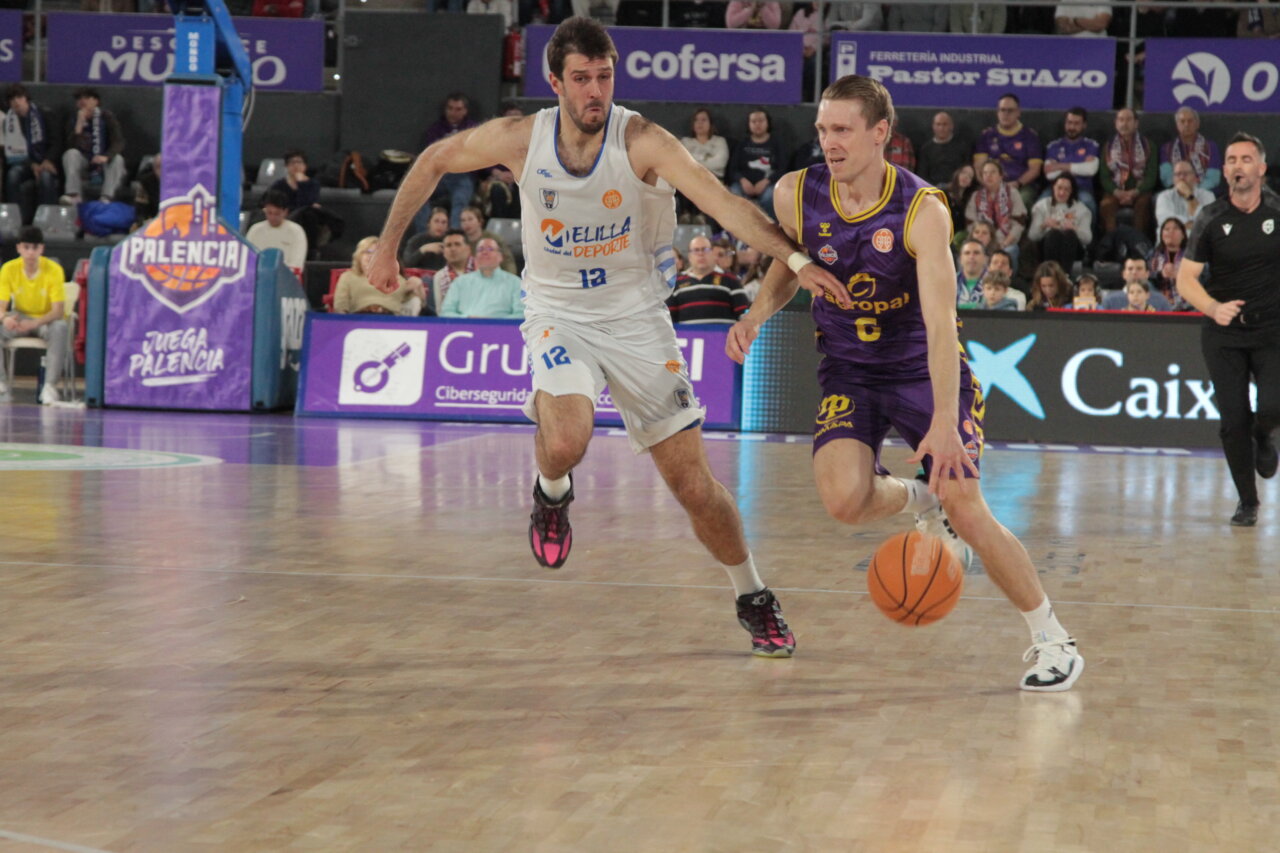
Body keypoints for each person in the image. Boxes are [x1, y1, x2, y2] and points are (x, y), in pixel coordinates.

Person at [366, 16, 845, 657]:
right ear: (555, 83)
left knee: (695, 488)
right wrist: (389, 248)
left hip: (639, 319)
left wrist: (798, 260)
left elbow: (724, 205)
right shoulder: (520, 138)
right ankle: (551, 493)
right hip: (558, 313)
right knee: (566, 441)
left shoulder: (641, 139)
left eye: (605, 77)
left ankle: (752, 594)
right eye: (582, 79)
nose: (596, 91)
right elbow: (433, 160)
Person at [725, 74, 1083, 690]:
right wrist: (758, 313)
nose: (828, 143)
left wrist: (944, 421)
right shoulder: (794, 193)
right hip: (847, 366)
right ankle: (920, 501)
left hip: (920, 364)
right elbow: (791, 263)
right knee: (843, 500)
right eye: (821, 130)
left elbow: (943, 324)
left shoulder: (923, 210)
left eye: (841, 130)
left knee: (967, 507)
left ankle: (1053, 638)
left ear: (879, 134)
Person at [1176, 132, 1280, 528]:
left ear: (1262, 168)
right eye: (1232, 160)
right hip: (1224, 334)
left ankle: (1264, 435)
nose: (1238, 166)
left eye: (1246, 159)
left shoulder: (1277, 211)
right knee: (1232, 420)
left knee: (1271, 406)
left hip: (1272, 328)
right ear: (1226, 171)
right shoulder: (1211, 217)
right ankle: (1247, 501)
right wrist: (1212, 308)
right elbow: (1185, 279)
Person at [0, 227, 68, 405]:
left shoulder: (54, 270)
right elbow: (1, 306)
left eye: (34, 248)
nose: (30, 252)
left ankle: (49, 387)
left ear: (41, 249)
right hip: (20, 318)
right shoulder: (8, 269)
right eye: (26, 247)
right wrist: (5, 318)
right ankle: (1, 384)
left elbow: (58, 310)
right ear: (19, 248)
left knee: (60, 326)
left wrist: (34, 323)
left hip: (45, 319)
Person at [973, 93, 1043, 210]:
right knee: (976, 198)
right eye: (1002, 110)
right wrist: (989, 185)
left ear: (1018, 113)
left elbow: (1034, 170)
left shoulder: (1030, 136)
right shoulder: (987, 135)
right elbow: (979, 166)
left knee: (1023, 199)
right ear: (997, 112)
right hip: (991, 183)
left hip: (1020, 185)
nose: (1006, 114)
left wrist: (1017, 183)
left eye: (1010, 111)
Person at [420, 93, 479, 229]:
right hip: (439, 175)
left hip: (462, 175)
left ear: (465, 111)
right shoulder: (435, 130)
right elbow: (430, 156)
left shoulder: (474, 129)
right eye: (450, 108)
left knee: (460, 199)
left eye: (458, 109)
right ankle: (426, 234)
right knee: (419, 195)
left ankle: (455, 235)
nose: (453, 113)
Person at [59, 87, 126, 205]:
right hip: (85, 162)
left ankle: (106, 198)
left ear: (96, 101)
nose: (82, 101)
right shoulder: (73, 119)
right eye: (79, 99)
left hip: (104, 162)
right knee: (70, 154)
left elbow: (118, 142)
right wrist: (79, 126)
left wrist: (106, 156)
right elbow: (69, 146)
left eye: (86, 98)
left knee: (118, 159)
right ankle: (74, 195)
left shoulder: (106, 117)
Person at [3, 84, 59, 225]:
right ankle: (16, 219)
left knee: (46, 177)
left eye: (19, 97)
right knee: (13, 175)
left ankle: (48, 221)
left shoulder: (44, 114)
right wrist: (31, 164)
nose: (16, 102)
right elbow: (11, 150)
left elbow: (56, 141)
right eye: (12, 99)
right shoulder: (8, 121)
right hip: (25, 162)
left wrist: (47, 160)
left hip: (46, 161)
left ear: (26, 98)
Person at [1099, 108, 1157, 237]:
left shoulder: (1149, 146)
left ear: (1136, 123)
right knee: (1106, 205)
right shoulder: (1108, 147)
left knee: (1143, 205)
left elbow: (1151, 176)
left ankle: (1138, 245)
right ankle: (1112, 245)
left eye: (1128, 120)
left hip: (1140, 191)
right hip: (1115, 190)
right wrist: (1117, 192)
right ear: (1115, 123)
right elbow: (1104, 177)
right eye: (1121, 120)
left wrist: (1135, 192)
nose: (1124, 124)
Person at [333, 236, 426, 316]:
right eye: (367, 252)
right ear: (359, 256)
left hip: (389, 320)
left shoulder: (396, 278)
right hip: (359, 319)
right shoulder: (348, 277)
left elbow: (417, 303)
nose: (370, 256)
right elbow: (340, 306)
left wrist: (419, 288)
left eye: (375, 253)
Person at [667, 235, 749, 324]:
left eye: (705, 249)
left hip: (723, 336)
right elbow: (669, 319)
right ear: (689, 256)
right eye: (696, 250)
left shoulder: (731, 280)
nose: (700, 254)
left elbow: (744, 315)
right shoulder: (676, 282)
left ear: (712, 254)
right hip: (688, 337)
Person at [440, 236, 524, 318]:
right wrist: (467, 318)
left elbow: (521, 314)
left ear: (500, 257)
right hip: (465, 328)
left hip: (502, 330)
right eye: (480, 250)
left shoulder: (515, 283)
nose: (485, 252)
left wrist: (495, 322)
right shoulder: (460, 282)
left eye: (490, 249)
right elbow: (445, 312)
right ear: (475, 257)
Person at [966, 159, 1027, 271]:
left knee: (1011, 251)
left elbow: (1019, 223)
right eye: (985, 173)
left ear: (1001, 176)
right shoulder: (976, 196)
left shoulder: (1012, 193)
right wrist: (980, 241)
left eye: (993, 172)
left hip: (1006, 241)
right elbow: (971, 224)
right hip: (982, 242)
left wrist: (1005, 243)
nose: (988, 176)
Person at [1041, 106, 1099, 216]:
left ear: (1084, 125)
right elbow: (1050, 173)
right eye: (1069, 123)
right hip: (1056, 188)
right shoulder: (1054, 146)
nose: (1072, 127)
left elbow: (1091, 170)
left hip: (1081, 187)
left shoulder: (1091, 145)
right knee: (1041, 203)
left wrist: (1059, 166)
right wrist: (1079, 167)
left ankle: (1090, 233)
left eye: (1077, 123)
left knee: (1088, 203)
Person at [1028, 175, 1092, 274]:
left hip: (1073, 247)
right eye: (1059, 188)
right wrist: (1044, 225)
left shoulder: (1082, 210)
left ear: (1072, 191)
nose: (1062, 193)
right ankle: (1051, 274)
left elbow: (1088, 239)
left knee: (1069, 234)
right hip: (1047, 245)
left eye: (1066, 189)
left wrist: (1075, 229)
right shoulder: (1041, 206)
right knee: (1054, 234)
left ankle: (1065, 275)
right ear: (1053, 188)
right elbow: (1032, 236)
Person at [727, 109, 783, 216]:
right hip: (743, 184)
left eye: (761, 121)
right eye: (753, 121)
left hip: (768, 184)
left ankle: (768, 228)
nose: (757, 124)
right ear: (749, 124)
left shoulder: (777, 143)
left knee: (770, 197)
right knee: (734, 194)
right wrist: (742, 181)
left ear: (768, 123)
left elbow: (782, 169)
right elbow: (733, 170)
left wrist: (766, 181)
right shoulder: (742, 144)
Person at [1158, 107, 1222, 195]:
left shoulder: (1210, 147)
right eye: (1182, 121)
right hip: (1176, 191)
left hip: (1203, 192)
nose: (1186, 124)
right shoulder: (1167, 148)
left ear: (1197, 124)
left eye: (1190, 121)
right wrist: (1182, 189)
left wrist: (1194, 190)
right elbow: (1167, 177)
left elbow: (1213, 178)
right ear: (1177, 125)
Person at [246, 189, 309, 270]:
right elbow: (248, 260)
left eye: (277, 214)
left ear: (285, 212)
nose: (272, 217)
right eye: (269, 213)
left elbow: (297, 264)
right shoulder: (255, 230)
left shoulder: (296, 232)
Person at [1155, 159, 1215, 229]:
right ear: (1173, 179)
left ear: (1194, 177)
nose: (1181, 177)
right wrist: (1195, 225)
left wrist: (1189, 196)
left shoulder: (1208, 196)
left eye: (1185, 174)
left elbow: (1209, 221)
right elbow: (1166, 222)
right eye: (1178, 174)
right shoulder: (1164, 196)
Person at [917, 112, 968, 187]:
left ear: (951, 126)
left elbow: (966, 170)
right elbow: (922, 175)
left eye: (945, 124)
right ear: (933, 126)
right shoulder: (926, 149)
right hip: (932, 191)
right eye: (938, 124)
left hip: (957, 190)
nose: (941, 128)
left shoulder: (962, 147)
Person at [431, 229, 476, 314]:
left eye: (457, 244)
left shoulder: (481, 270)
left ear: (468, 249)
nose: (453, 249)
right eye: (448, 245)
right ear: (443, 251)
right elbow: (440, 311)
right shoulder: (440, 276)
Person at [1148, 217, 1188, 307]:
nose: (1171, 232)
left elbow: (1203, 277)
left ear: (1183, 235)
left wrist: (1180, 276)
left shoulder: (1193, 255)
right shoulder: (1153, 254)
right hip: (1159, 298)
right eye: (1167, 229)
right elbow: (1147, 275)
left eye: (1176, 228)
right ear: (1162, 235)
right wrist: (1161, 274)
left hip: (1188, 301)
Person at [954, 238, 988, 306]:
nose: (971, 256)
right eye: (967, 253)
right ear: (960, 259)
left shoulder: (995, 282)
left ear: (985, 258)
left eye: (976, 253)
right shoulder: (951, 282)